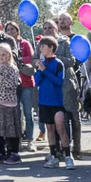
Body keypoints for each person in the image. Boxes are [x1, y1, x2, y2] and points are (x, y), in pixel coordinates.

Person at [34, 37, 72, 168]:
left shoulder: (58, 63)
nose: (41, 49)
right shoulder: (41, 63)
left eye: (43, 46)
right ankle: (53, 156)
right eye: (41, 47)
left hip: (56, 102)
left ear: (51, 48)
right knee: (49, 128)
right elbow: (37, 81)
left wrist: (45, 70)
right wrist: (40, 70)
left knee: (60, 128)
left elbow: (58, 81)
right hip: (44, 101)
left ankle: (68, 156)